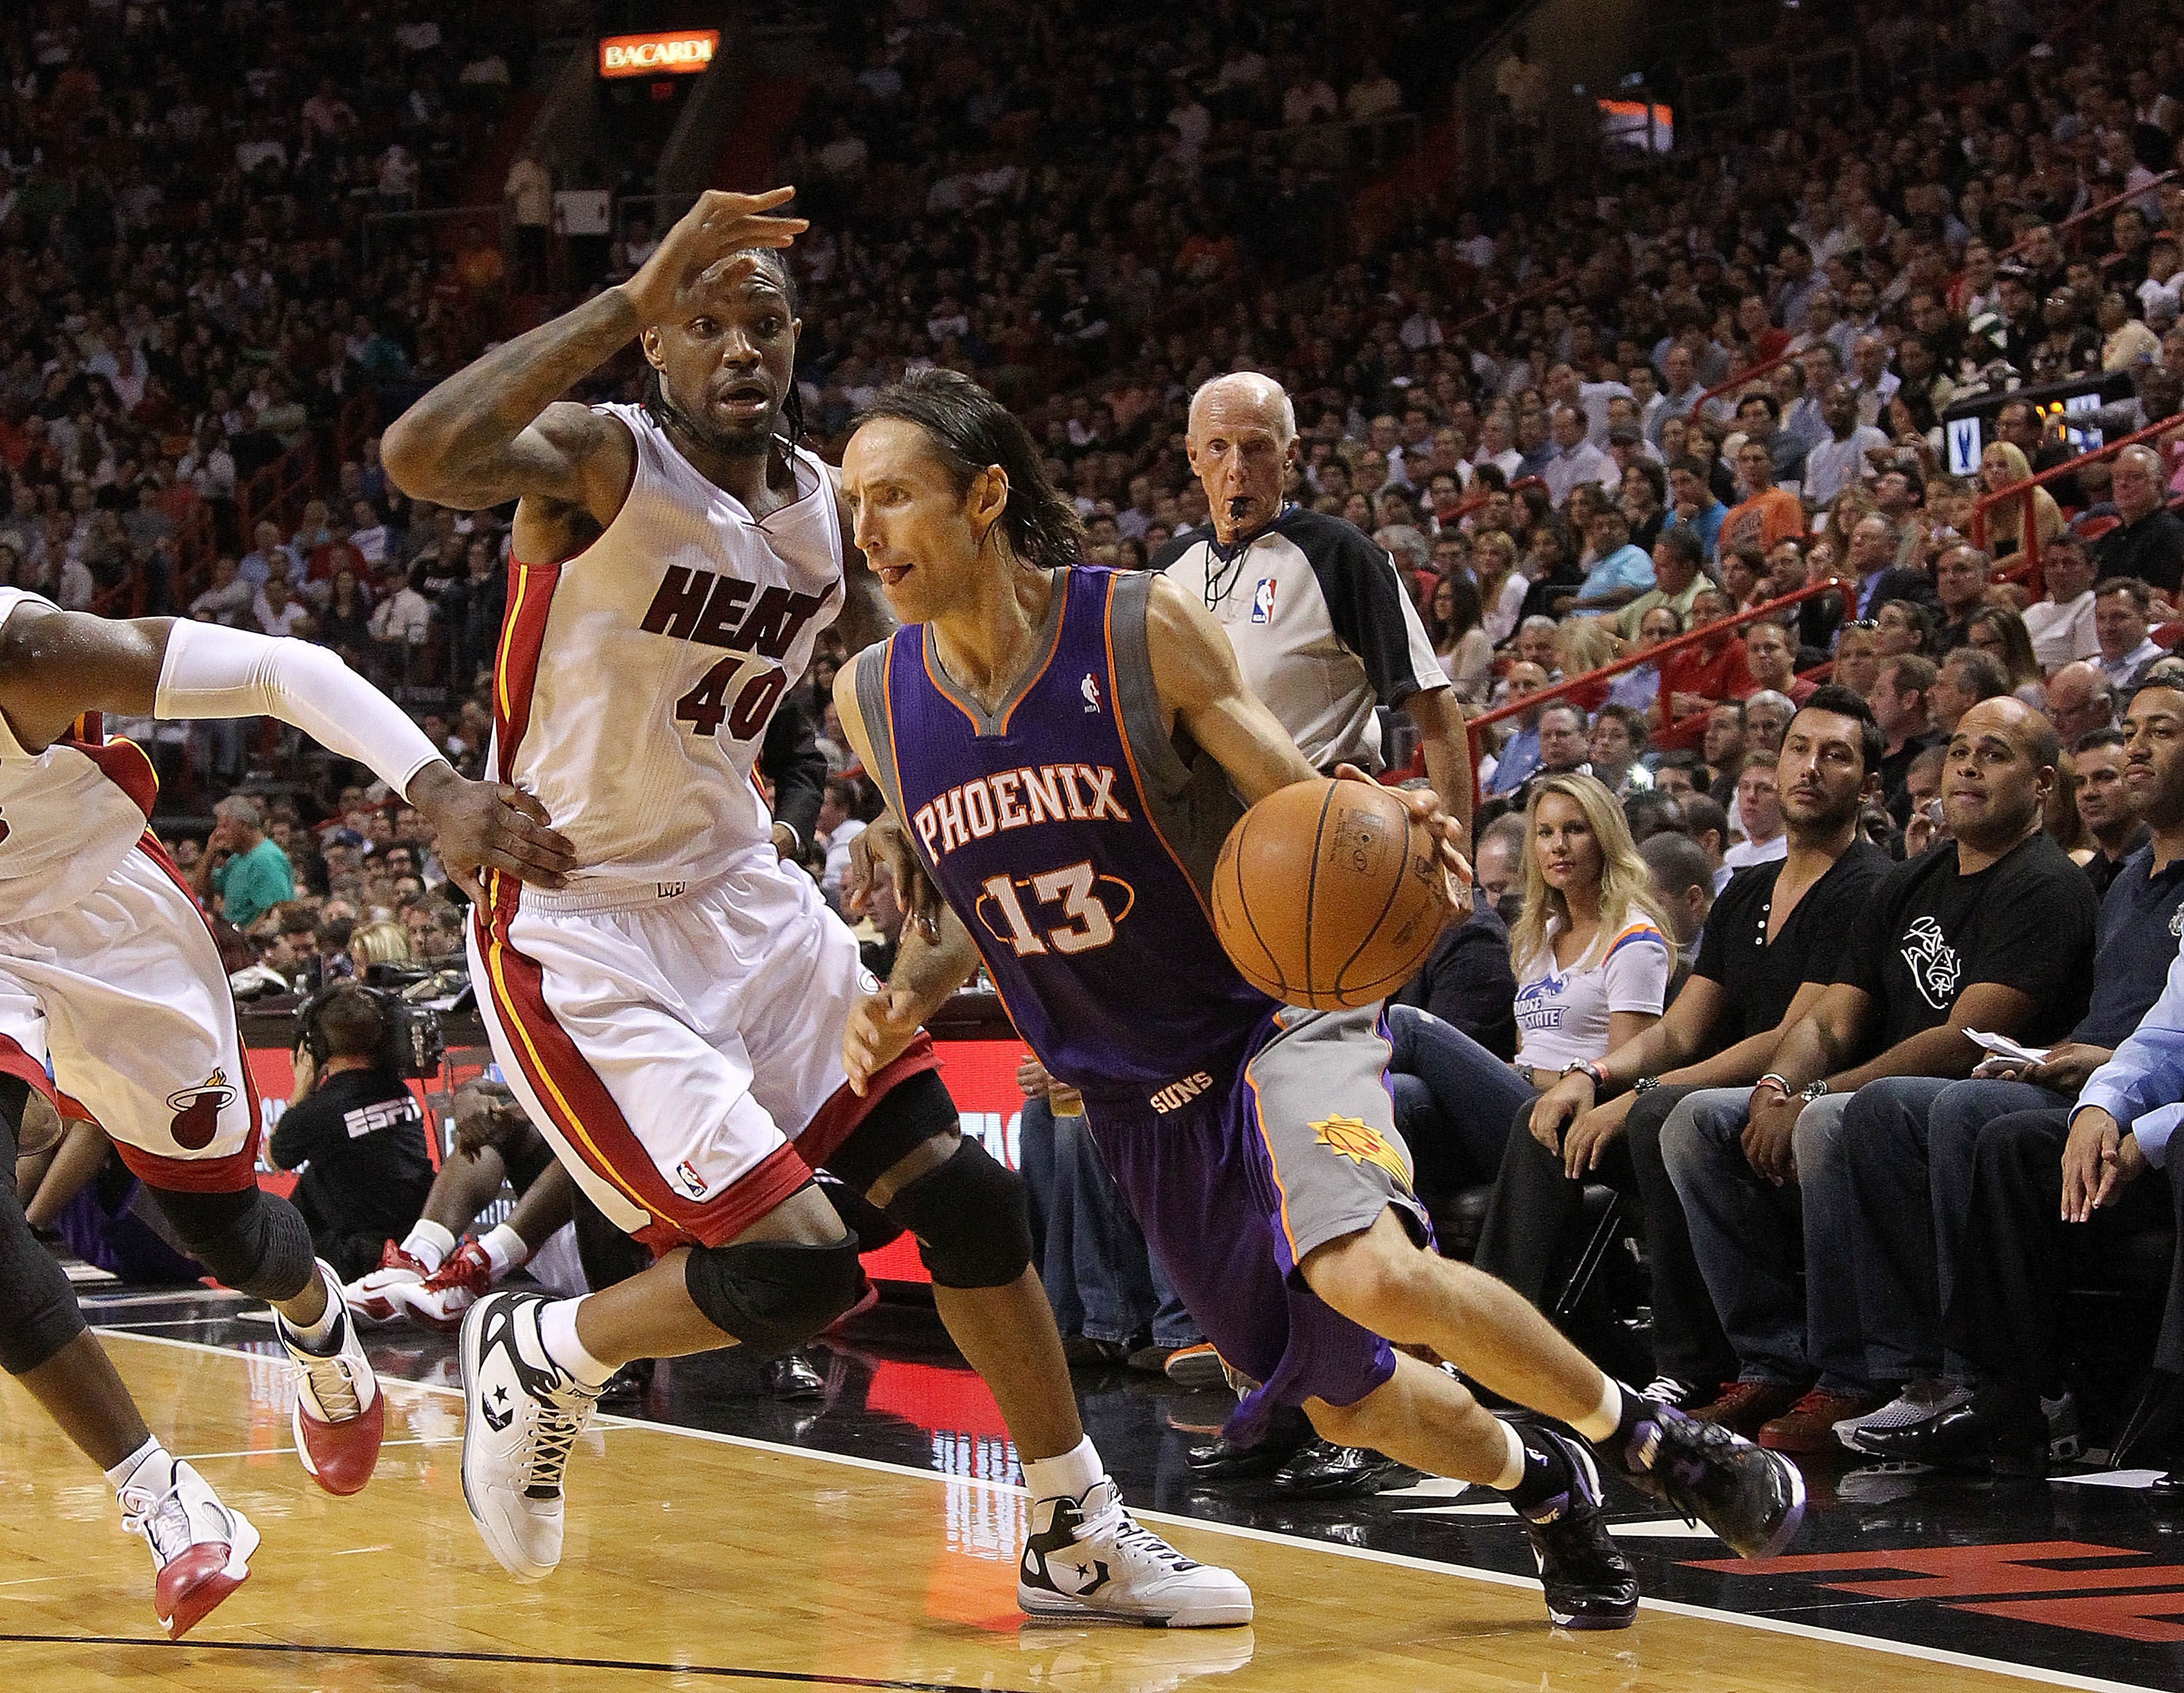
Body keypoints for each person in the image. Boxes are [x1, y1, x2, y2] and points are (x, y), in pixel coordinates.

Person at [833, 368, 1804, 1633]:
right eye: (853, 504)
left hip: (1273, 1015)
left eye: (893, 496)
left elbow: (1300, 808)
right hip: (1139, 1101)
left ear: (985, 497)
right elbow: (971, 898)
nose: (866, 533)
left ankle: (1653, 1441)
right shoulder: (874, 697)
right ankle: (1544, 1481)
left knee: (1369, 1271)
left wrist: (1396, 829)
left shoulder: (1135, 627)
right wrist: (901, 998)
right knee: (1349, 1398)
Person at [379, 192, 1238, 1619]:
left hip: (751, 905)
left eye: (764, 322)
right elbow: (418, 456)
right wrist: (625, 292)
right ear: (658, 344)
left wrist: (892, 810)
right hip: (585, 924)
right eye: (703, 322)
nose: (740, 348)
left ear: (797, 336)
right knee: (795, 1276)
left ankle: (1073, 1530)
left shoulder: (831, 510)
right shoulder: (600, 459)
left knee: (972, 1203)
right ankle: (545, 1349)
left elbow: (894, 675)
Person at [0, 586, 569, 1637]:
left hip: (102, 924)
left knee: (221, 1231)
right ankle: (166, 1496)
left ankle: (315, 1315)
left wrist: (438, 789)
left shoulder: (25, 651)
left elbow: (277, 669)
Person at [1661, 698, 2100, 1450]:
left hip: (1979, 1097)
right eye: (1959, 751)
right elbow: (1831, 1017)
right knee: (1693, 1120)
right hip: (1878, 1095)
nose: (1967, 766)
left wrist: (1818, 1093)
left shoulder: (2047, 885)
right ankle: (1770, 1361)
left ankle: (1864, 1375)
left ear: (2043, 784)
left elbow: (1964, 1038)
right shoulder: (1911, 879)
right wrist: (1776, 1086)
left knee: (1838, 1118)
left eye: (1994, 754)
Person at [1832, 679, 2184, 1469]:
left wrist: (2107, 1079)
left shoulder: (2057, 882)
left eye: (2161, 732)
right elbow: (2141, 1029)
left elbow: (2156, 1045)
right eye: (2131, 730)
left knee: (1969, 1113)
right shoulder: (2126, 881)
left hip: (2154, 1109)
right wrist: (2069, 1064)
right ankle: (1916, 1374)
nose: (2135, 749)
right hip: (2102, 1089)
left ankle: (1991, 1384)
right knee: (1889, 1108)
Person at [1502, 689, 1891, 1404]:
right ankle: (1511, 1348)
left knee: (1660, 1115)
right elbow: (1679, 1031)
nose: (1809, 767)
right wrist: (1592, 1075)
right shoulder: (1746, 889)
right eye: (1798, 749)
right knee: (1548, 1118)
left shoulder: (1870, 887)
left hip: (1797, 1099)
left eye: (1835, 755)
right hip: (1711, 1099)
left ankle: (1692, 1362)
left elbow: (1792, 1035)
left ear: (1868, 786)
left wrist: (1642, 1093)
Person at [1158, 373, 1472, 834]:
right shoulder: (1166, 571)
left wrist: (1458, 853)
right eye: (1218, 447)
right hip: (1203, 836)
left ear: (1290, 454)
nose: (1236, 468)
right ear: (1193, 456)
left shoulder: (1339, 554)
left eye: (1257, 447)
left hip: (1320, 824)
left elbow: (1437, 711)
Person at [1506, 774, 1674, 1091]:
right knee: (1412, 1089)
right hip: (1519, 1099)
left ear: (1605, 839)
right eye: (1545, 833)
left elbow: (1624, 1080)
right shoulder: (1537, 936)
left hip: (1575, 1103)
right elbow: (1530, 1046)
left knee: (1413, 1029)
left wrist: (1525, 1075)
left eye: (1575, 829)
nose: (1558, 846)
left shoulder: (1634, 940)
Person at [268, 984, 435, 1282]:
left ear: (316, 1046)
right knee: (317, 1179)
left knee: (293, 1204)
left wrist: (301, 1089)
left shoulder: (319, 1109)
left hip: (360, 1255)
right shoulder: (401, 1091)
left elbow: (275, 1158)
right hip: (418, 1239)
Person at [191, 794, 295, 928]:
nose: (218, 833)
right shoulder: (237, 858)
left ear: (244, 826)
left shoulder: (267, 860)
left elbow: (274, 913)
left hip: (249, 938)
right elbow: (199, 891)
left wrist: (242, 938)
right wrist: (209, 853)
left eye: (224, 827)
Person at [2020, 540, 2100, 673]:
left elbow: (2088, 665)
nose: (2060, 571)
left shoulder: (2092, 605)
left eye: (2069, 563)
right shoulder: (2034, 611)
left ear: (2092, 570)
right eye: (2052, 564)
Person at [2094, 577, 2168, 690]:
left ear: (2145, 619)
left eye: (2119, 617)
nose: (2107, 627)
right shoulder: (2090, 665)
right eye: (2101, 618)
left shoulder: (2162, 669)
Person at [1722, 754, 1787, 869]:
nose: (1751, 796)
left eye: (1765, 789)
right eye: (1745, 787)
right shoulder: (1731, 858)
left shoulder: (1793, 856)